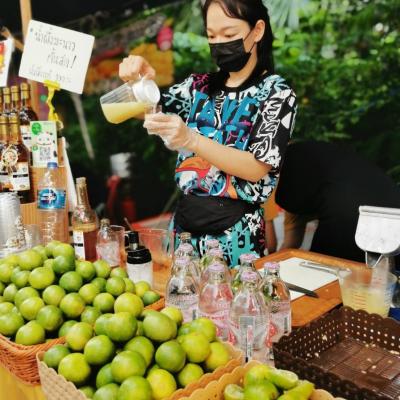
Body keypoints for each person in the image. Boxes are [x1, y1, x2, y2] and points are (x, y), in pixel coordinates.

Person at [119, 0, 297, 267]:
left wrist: (191, 139)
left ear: (258, 30)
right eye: (212, 36)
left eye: (228, 34)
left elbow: (256, 168)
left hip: (237, 234)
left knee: (235, 292)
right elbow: (147, 108)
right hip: (184, 230)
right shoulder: (198, 87)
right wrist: (139, 82)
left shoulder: (276, 94)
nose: (219, 43)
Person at [275, 141, 400, 262]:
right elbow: (292, 239)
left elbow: (292, 236)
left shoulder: (289, 164)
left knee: (327, 271)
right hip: (393, 210)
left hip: (349, 214)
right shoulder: (320, 157)